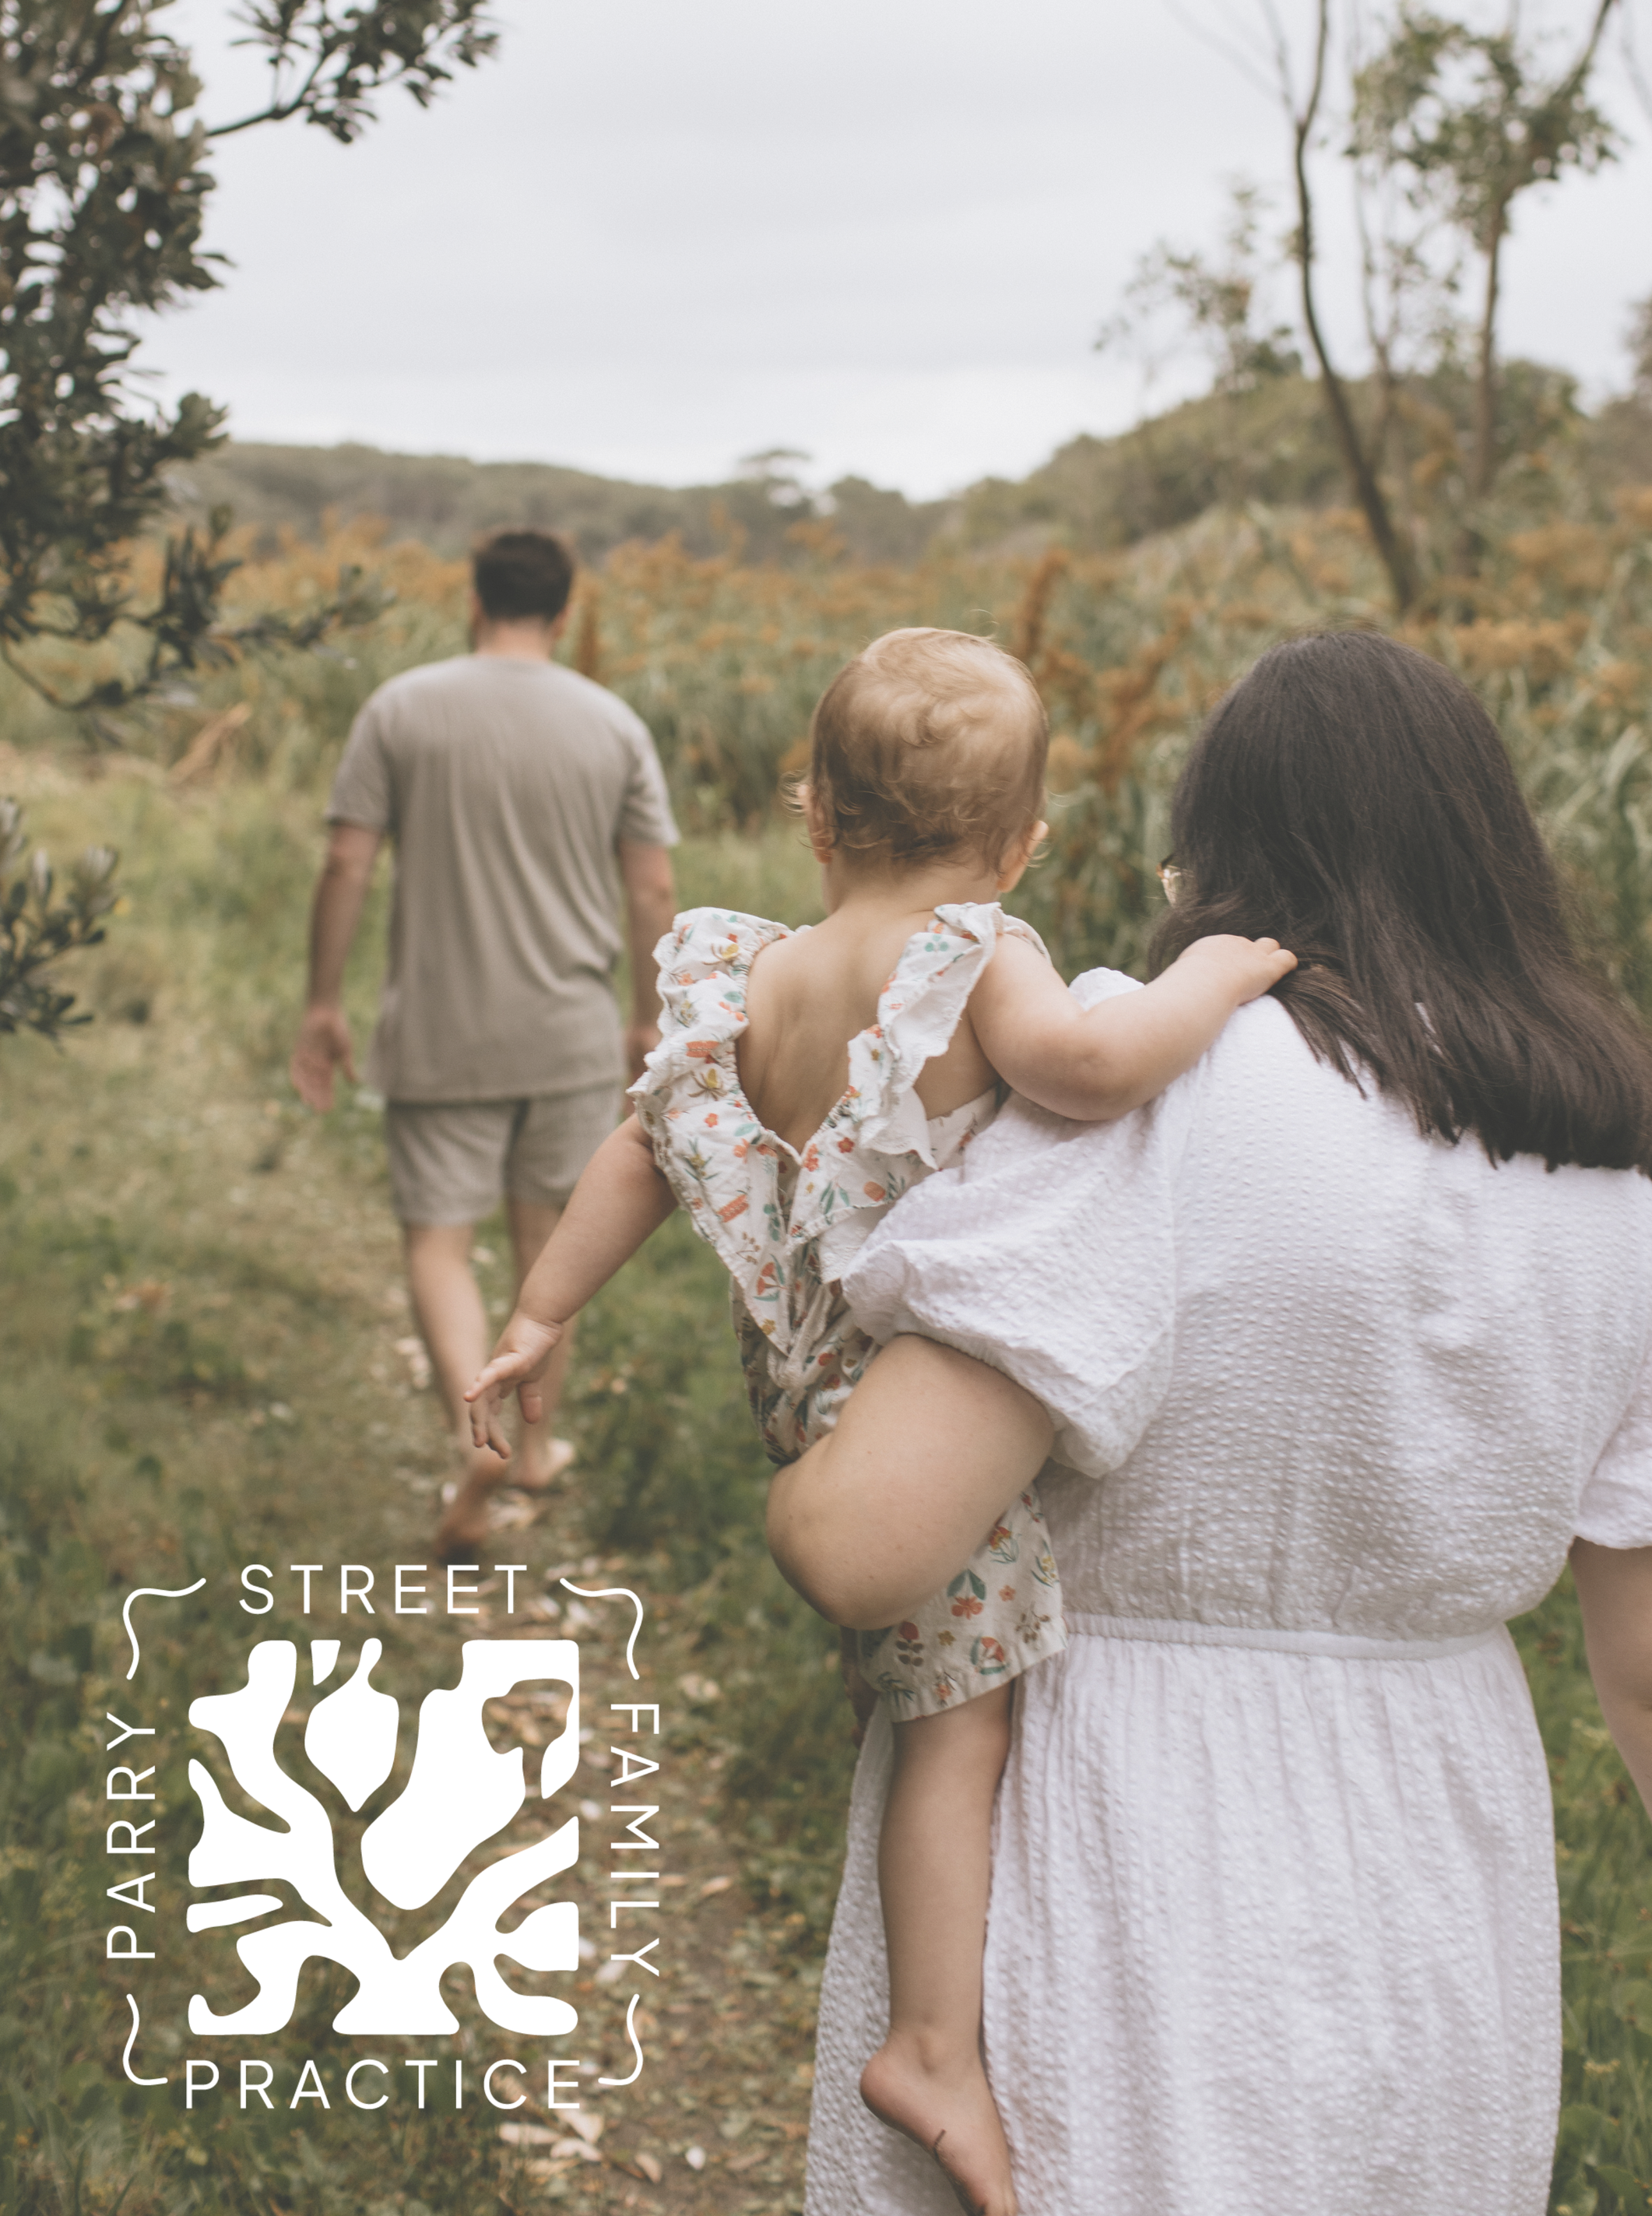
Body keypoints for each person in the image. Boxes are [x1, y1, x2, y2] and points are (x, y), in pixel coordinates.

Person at [765, 631, 1652, 2216]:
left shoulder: (1146, 1091)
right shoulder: (1648, 1162)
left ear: (1219, 858)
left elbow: (864, 1544)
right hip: (1439, 1865)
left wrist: (792, 1432)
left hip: (1111, 1849)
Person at [463, 628, 1292, 2216]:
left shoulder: (754, 973)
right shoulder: (973, 955)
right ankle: (928, 2044)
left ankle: (922, 2014)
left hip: (797, 1395)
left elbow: (645, 1147)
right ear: (1022, 841)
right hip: (906, 1413)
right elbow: (1090, 1064)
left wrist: (538, 1314)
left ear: (818, 817)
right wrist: (1214, 973)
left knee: (918, 1702)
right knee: (958, 1726)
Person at [290, 527, 678, 1557]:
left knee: (439, 1246)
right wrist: (648, 1017)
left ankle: (476, 1440)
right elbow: (652, 887)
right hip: (569, 1036)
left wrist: (322, 1002)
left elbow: (345, 864)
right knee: (549, 1250)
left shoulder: (400, 708)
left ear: (474, 601)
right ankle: (534, 1449)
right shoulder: (613, 725)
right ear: (564, 611)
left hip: (438, 1034)